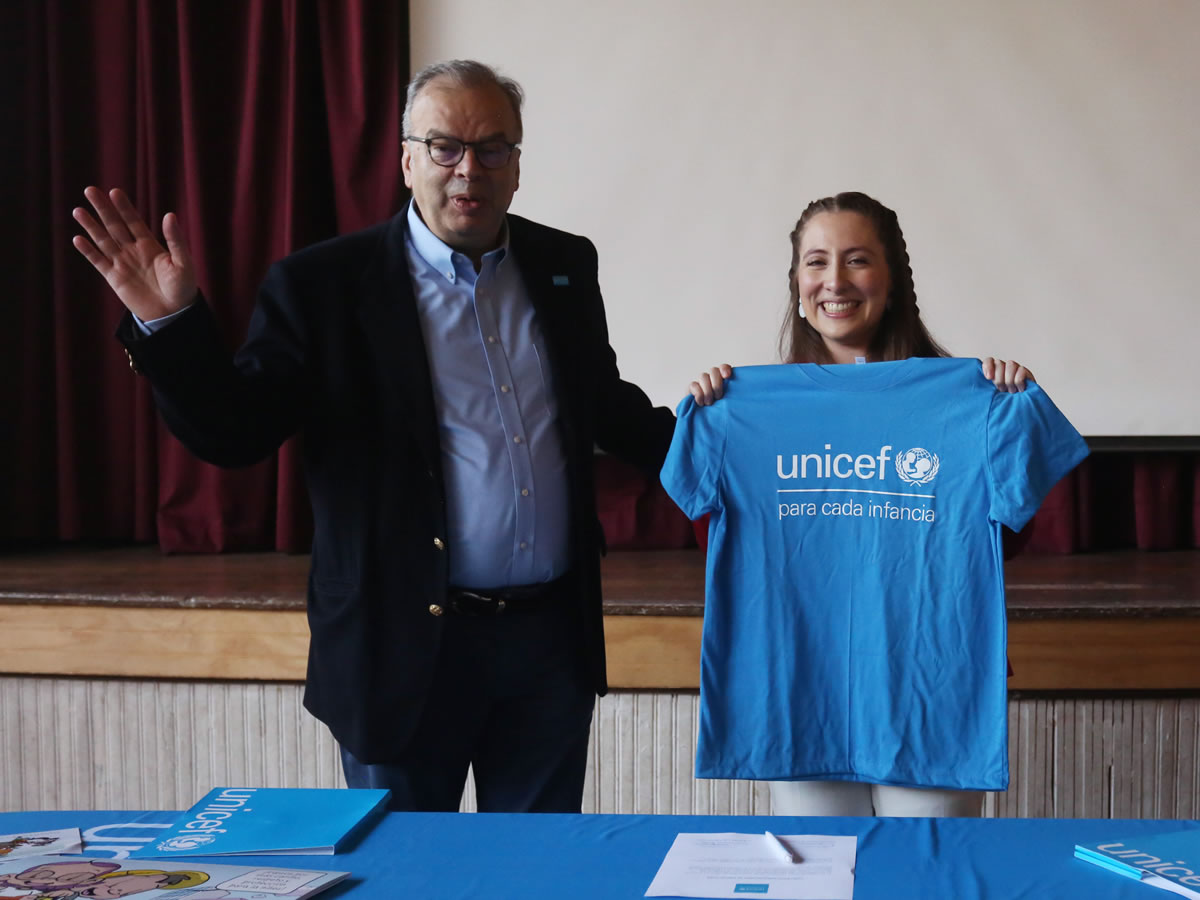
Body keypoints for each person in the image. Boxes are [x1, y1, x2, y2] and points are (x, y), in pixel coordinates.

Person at [71, 59, 675, 813]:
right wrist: (171, 326)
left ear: (517, 166)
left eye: (493, 148)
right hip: (402, 649)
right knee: (408, 876)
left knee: (535, 874)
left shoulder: (562, 265)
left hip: (547, 643)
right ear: (406, 159)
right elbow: (235, 431)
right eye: (445, 146)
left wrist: (735, 434)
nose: (469, 169)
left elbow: (606, 408)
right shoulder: (324, 285)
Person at [680, 191, 1074, 818]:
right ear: (796, 284)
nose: (834, 280)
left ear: (893, 281)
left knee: (926, 880)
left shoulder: (973, 403)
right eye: (815, 262)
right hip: (801, 697)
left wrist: (1008, 411)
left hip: (929, 700)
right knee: (819, 882)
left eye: (857, 259)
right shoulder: (740, 409)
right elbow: (726, 541)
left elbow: (999, 540)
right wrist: (711, 421)